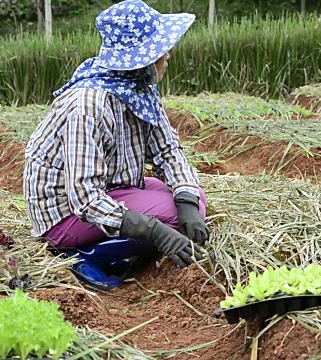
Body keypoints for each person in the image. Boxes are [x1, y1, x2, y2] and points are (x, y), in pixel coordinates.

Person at [23, 0, 209, 290]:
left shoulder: (141, 91)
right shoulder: (89, 105)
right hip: (66, 213)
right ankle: (81, 255)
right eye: (161, 50)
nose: (168, 55)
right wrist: (153, 231)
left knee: (193, 201)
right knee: (169, 219)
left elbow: (168, 151)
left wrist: (187, 203)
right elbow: (84, 197)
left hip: (111, 187)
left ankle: (116, 245)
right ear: (142, 61)